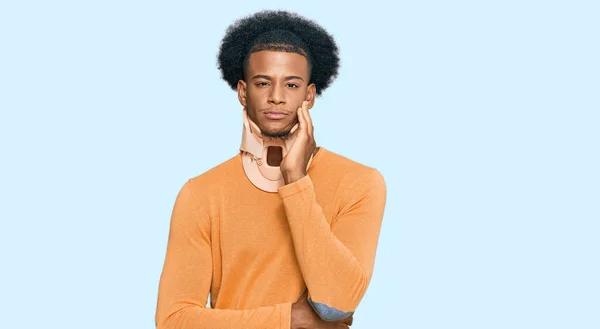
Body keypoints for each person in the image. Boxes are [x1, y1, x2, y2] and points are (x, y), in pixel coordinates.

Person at [154, 10, 387, 329]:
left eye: (291, 85)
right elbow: (173, 320)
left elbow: (337, 304)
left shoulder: (360, 183)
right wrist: (287, 319)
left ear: (309, 95)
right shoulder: (201, 193)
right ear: (243, 91)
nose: (276, 97)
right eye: (263, 83)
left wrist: (295, 179)